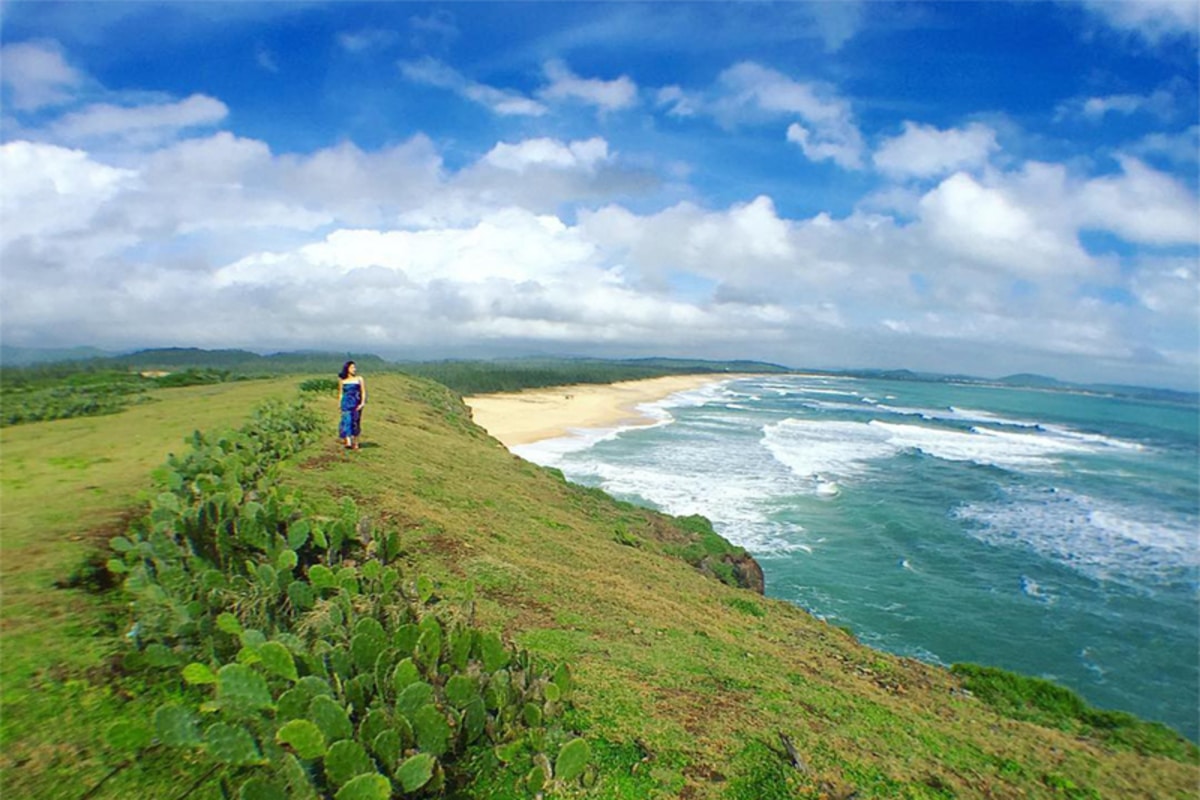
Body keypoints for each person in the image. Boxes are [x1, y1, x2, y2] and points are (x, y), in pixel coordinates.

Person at [337, 360, 366, 450]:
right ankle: (348, 441)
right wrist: (339, 403)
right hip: (346, 403)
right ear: (347, 368)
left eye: (355, 367)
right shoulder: (343, 380)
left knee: (355, 422)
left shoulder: (359, 379)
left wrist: (362, 402)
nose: (354, 369)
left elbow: (363, 392)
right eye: (352, 367)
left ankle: (355, 442)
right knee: (346, 420)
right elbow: (341, 393)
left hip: (356, 402)